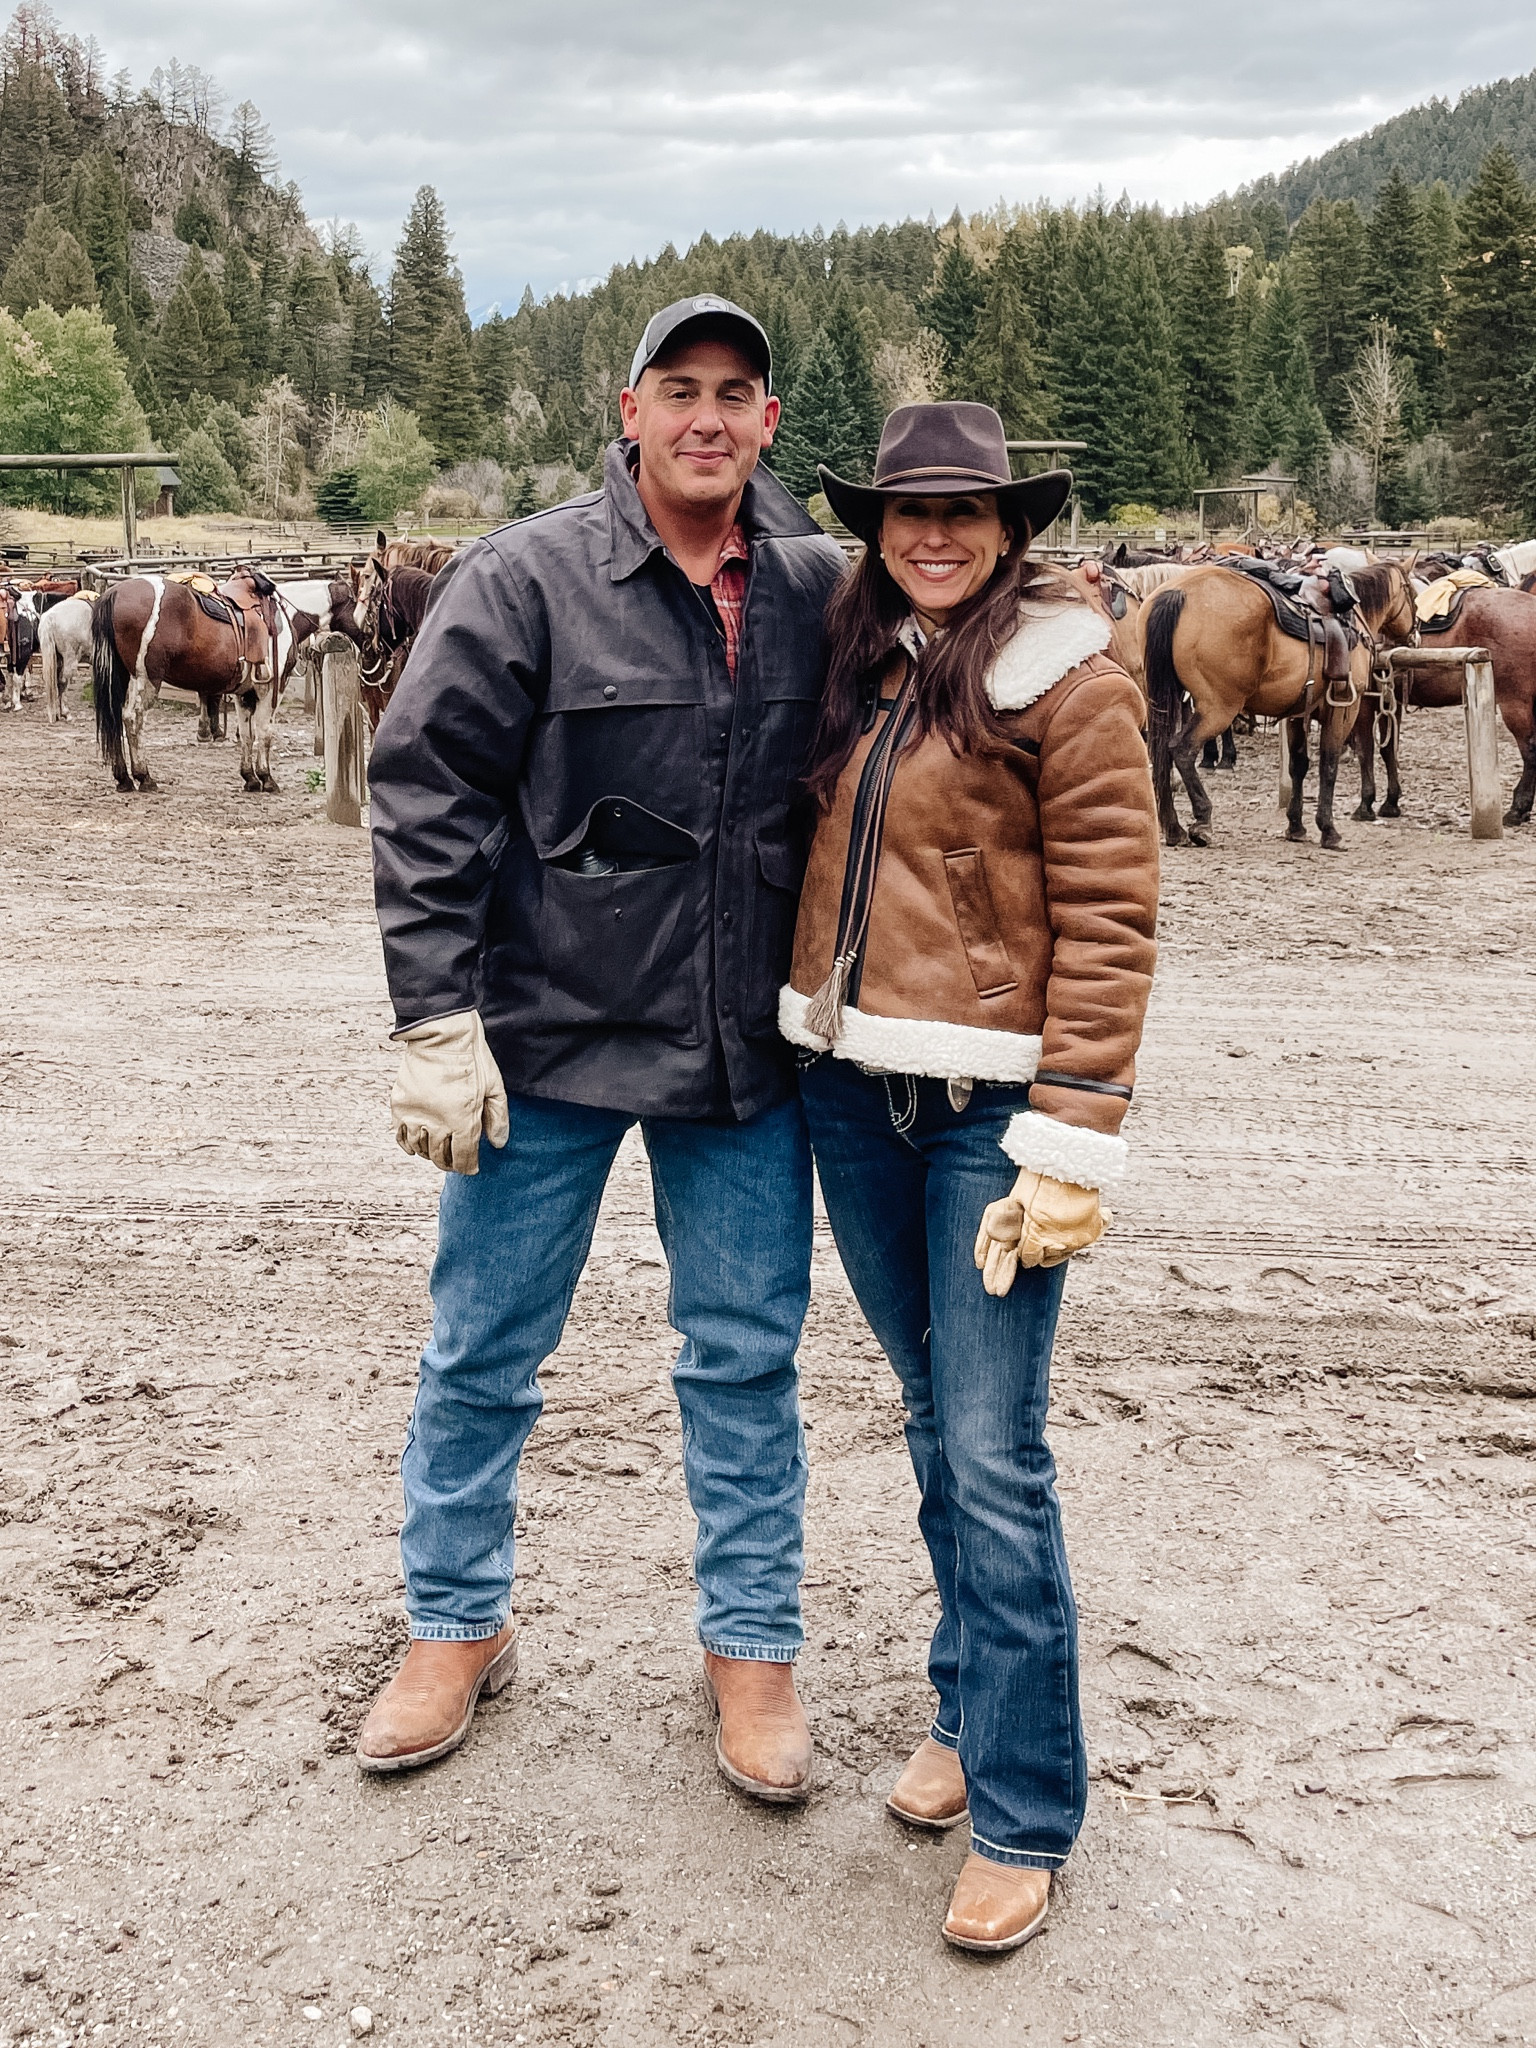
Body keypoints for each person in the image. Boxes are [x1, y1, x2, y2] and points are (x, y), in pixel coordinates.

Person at [361, 296, 846, 1799]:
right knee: (485, 1347)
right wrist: (436, 1016)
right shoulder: (525, 581)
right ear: (625, 410)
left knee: (747, 1359)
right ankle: (456, 1619)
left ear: (770, 422)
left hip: (741, 1049)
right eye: (678, 388)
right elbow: (427, 789)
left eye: (737, 392)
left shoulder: (827, 587)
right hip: (548, 1037)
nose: (708, 416)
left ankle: (750, 1647)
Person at [781, 403, 1159, 1951]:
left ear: (1010, 525)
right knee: (938, 1421)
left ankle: (1024, 1803)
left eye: (962, 511)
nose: (932, 533)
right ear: (875, 524)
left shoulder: (1067, 680)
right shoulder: (869, 660)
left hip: (988, 1122)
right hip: (852, 1094)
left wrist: (1074, 1136)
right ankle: (967, 1701)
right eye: (904, 510)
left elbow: (1117, 915)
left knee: (996, 1452)